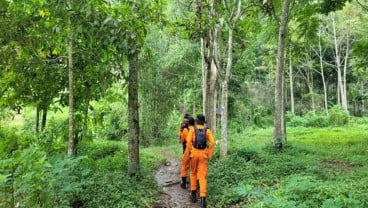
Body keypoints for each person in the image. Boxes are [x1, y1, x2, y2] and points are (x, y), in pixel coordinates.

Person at [185, 114, 215, 208]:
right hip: (203, 155)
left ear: (197, 121)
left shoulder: (193, 130)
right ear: (203, 122)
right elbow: (213, 142)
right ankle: (203, 199)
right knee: (202, 176)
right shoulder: (208, 131)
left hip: (194, 153)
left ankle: (193, 195)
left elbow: (188, 141)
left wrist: (190, 152)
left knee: (193, 173)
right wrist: (208, 154)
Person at [180, 116, 195, 189]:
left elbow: (182, 140)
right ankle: (195, 186)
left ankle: (183, 183)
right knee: (194, 168)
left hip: (187, 149)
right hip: (196, 150)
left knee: (185, 165)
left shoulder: (186, 130)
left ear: (188, 123)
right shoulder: (196, 129)